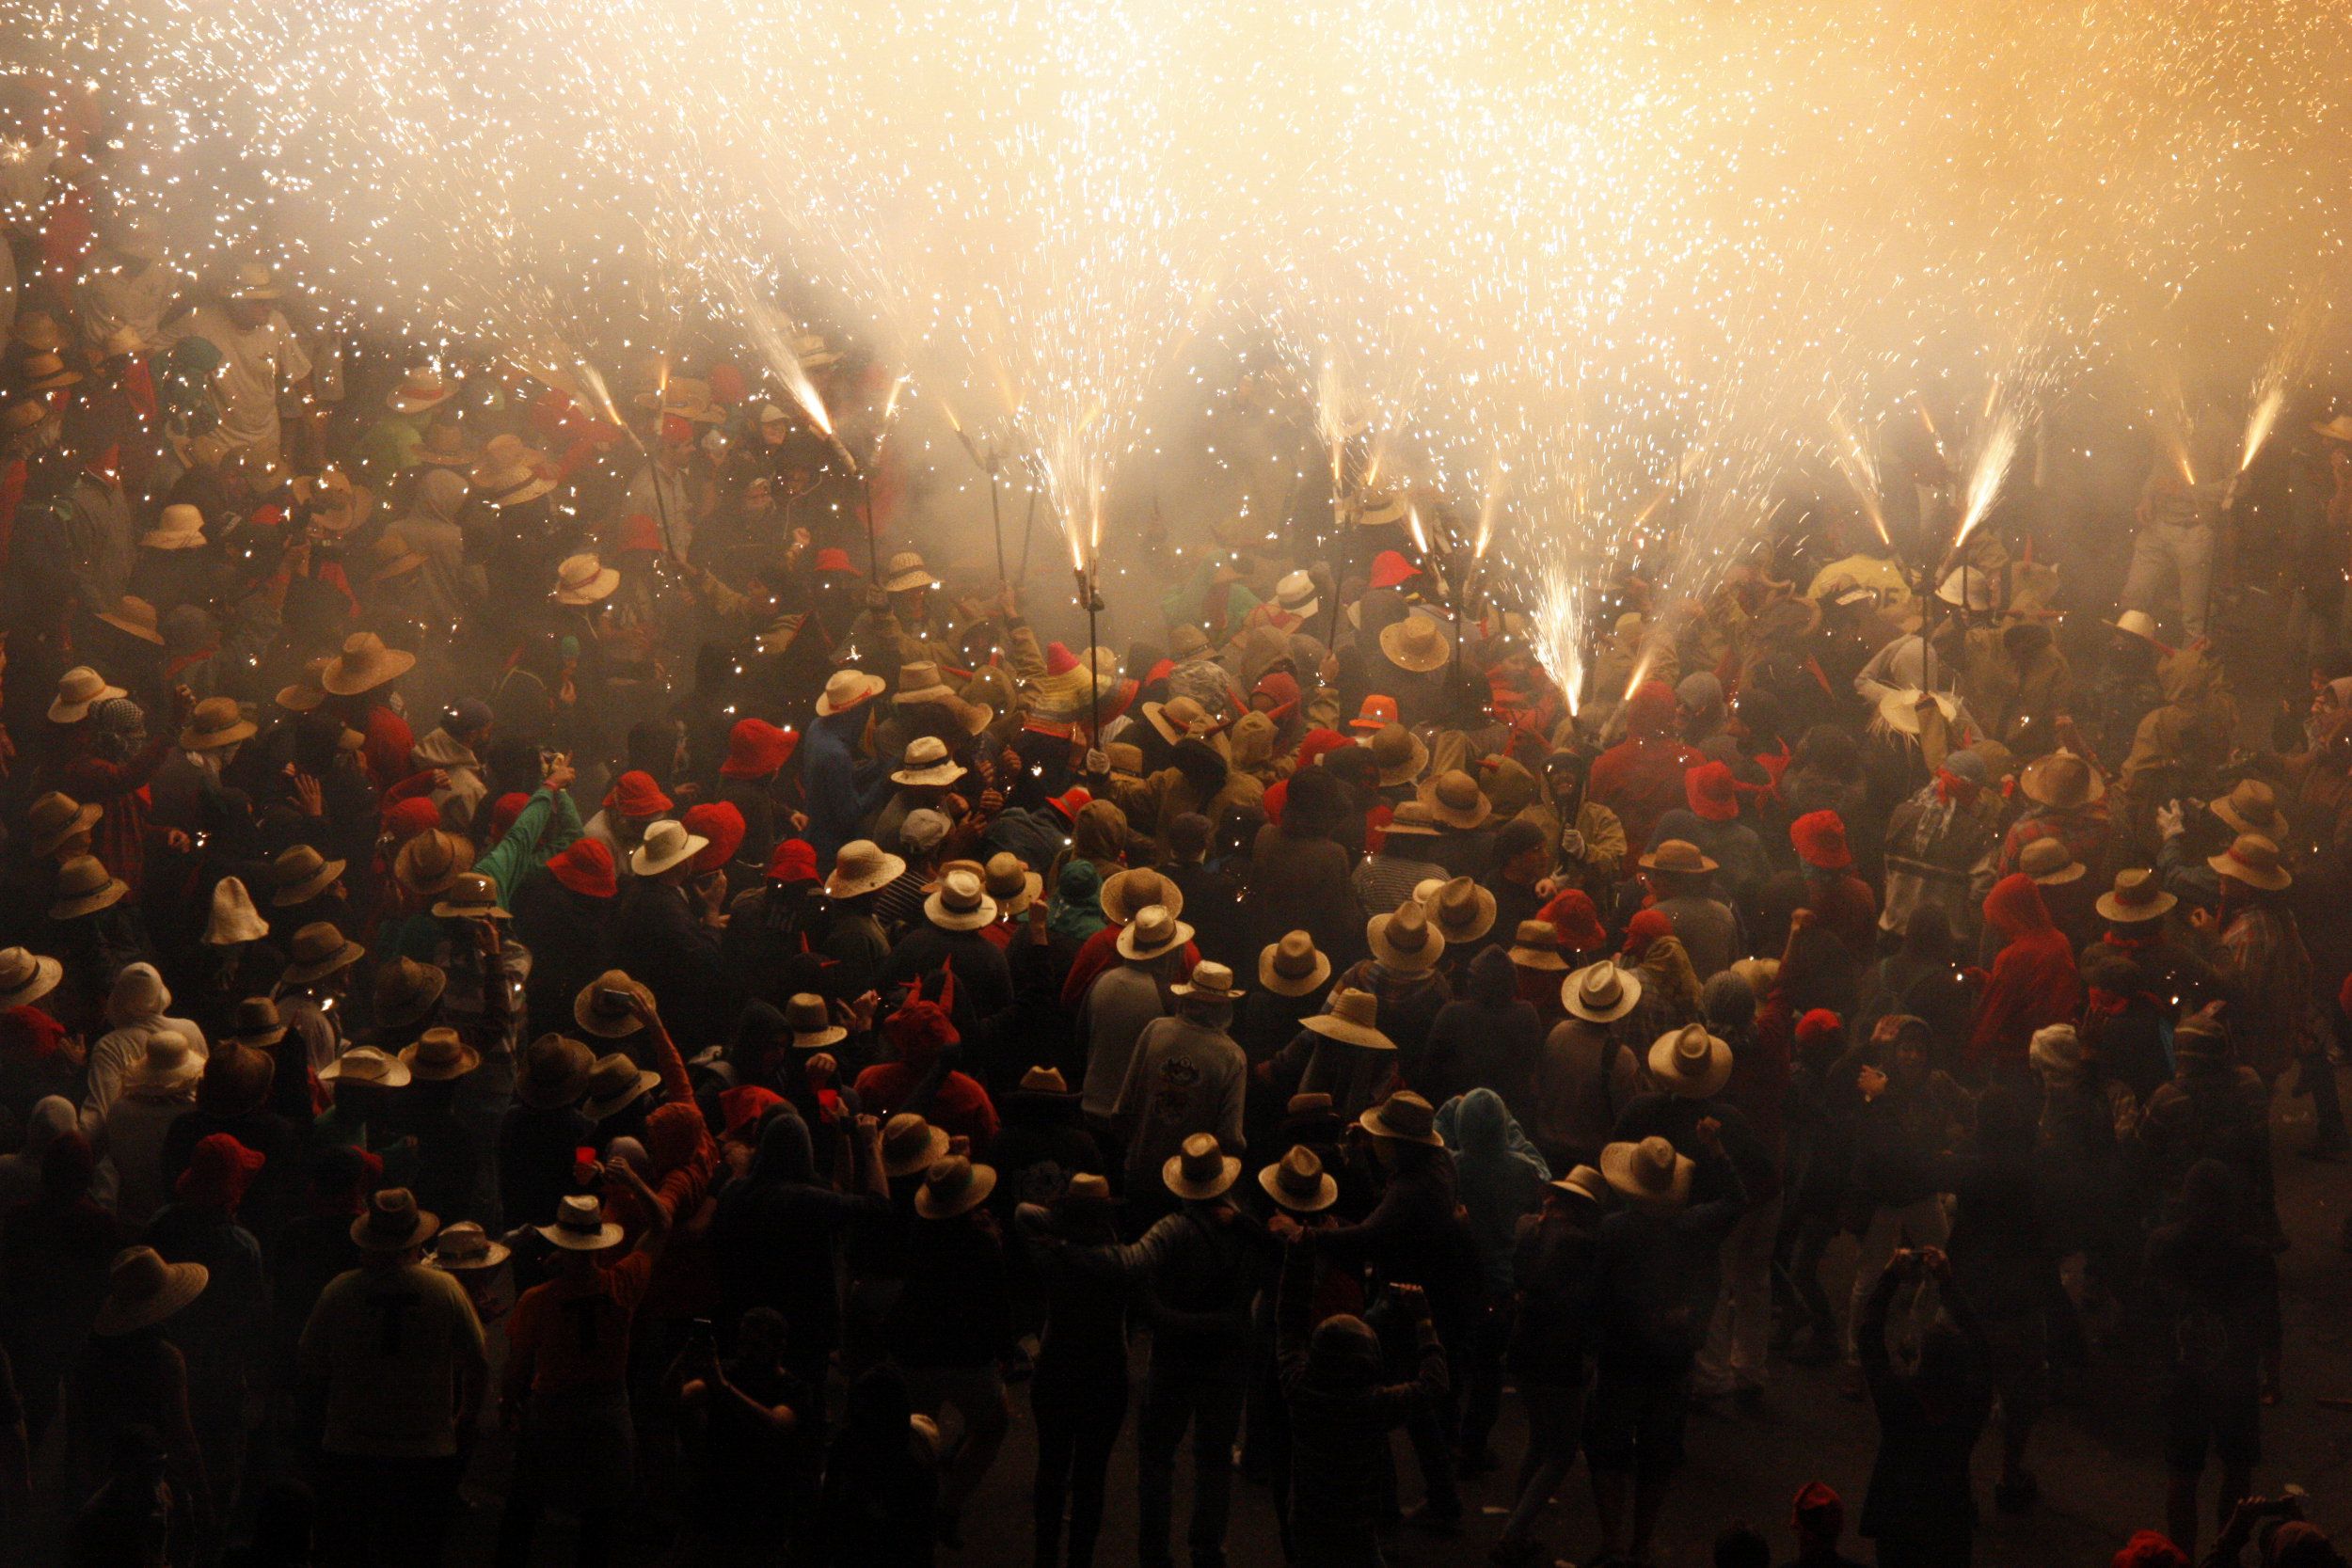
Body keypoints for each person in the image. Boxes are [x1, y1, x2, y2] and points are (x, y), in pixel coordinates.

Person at [495, 1162, 674, 1568]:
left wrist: (508, 1405)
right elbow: (662, 1224)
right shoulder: (623, 1283)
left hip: (552, 1410)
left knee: (523, 1511)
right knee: (600, 1521)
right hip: (607, 1410)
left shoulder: (538, 1300)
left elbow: (516, 1368)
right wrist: (632, 1180)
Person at [297, 1188, 488, 1566]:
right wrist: (464, 1417)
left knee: (346, 1552)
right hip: (424, 1449)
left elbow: (310, 1363)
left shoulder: (340, 1290)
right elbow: (477, 1361)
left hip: (350, 1447)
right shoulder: (445, 1289)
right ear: (416, 1240)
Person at [1856, 1247, 1994, 1568]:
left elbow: (1869, 1338)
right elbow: (1982, 1349)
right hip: (1948, 1520)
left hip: (1898, 1518)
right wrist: (1948, 1284)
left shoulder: (1898, 1400)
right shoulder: (1970, 1406)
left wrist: (1890, 1278)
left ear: (1920, 1363)